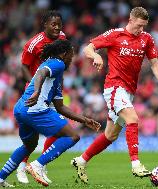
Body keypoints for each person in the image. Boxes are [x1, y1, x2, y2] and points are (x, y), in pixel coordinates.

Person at [70, 7, 158, 184]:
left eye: (144, 26)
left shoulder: (147, 39)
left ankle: (81, 160)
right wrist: (96, 57)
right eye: (138, 26)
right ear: (130, 20)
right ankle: (136, 164)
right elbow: (88, 48)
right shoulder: (115, 34)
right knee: (132, 118)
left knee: (111, 135)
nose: (141, 30)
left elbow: (155, 64)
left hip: (129, 91)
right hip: (114, 87)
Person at [0, 39, 100, 187]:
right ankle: (37, 165)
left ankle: (1, 177)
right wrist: (36, 92)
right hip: (35, 109)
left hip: (21, 109)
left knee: (29, 145)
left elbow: (60, 107)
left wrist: (84, 120)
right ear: (64, 54)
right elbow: (41, 72)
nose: (72, 59)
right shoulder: (57, 63)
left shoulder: (57, 76)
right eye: (71, 56)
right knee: (73, 136)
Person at [17, 10, 66, 184]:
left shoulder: (62, 38)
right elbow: (23, 66)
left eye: (59, 24)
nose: (57, 27)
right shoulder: (34, 44)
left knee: (59, 129)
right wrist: (33, 85)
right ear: (44, 24)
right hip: (36, 92)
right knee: (33, 137)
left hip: (53, 90)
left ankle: (40, 165)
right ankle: (22, 167)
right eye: (53, 24)